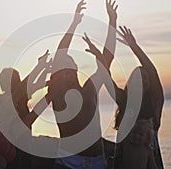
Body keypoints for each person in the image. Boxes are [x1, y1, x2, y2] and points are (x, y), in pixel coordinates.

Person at [46, 0, 118, 168]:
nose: (65, 74)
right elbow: (60, 53)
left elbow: (107, 59)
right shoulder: (58, 95)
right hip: (68, 162)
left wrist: (112, 22)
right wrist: (74, 23)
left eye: (68, 70)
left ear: (76, 70)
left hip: (97, 160)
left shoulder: (89, 88)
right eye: (61, 71)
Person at [0, 50, 51, 169]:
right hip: (15, 149)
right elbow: (27, 89)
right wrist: (40, 67)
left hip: (19, 148)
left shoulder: (12, 125)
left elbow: (36, 89)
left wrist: (49, 81)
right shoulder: (0, 106)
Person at [110, 26, 164, 169]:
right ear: (132, 81)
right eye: (141, 78)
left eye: (146, 79)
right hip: (123, 161)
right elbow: (107, 81)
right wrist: (102, 60)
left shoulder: (155, 102)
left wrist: (134, 47)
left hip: (149, 161)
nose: (145, 81)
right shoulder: (124, 101)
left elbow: (152, 71)